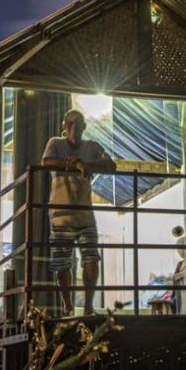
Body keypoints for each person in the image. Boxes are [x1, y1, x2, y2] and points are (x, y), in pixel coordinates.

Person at [42, 108, 115, 316]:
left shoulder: (91, 147)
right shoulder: (55, 143)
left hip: (85, 213)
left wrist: (86, 164)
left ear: (84, 126)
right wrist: (76, 164)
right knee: (63, 262)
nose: (76, 126)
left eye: (79, 122)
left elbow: (111, 164)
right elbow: (46, 162)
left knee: (91, 258)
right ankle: (68, 305)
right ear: (65, 126)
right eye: (72, 123)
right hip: (61, 215)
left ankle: (89, 306)